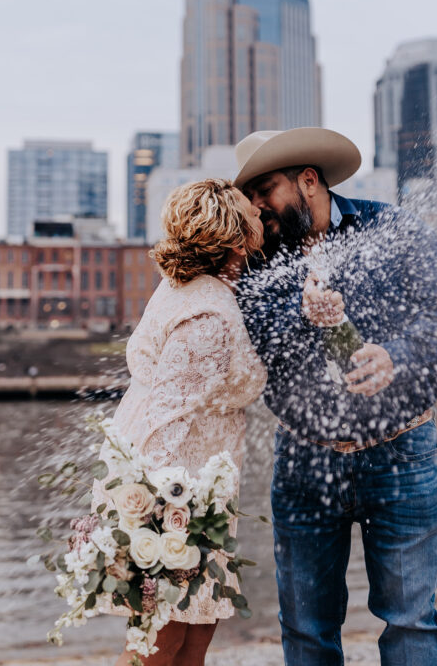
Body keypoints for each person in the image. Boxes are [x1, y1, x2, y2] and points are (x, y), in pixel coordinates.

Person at [234, 127, 437, 666]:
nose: (257, 207)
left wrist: (396, 354)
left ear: (308, 180)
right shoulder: (257, 258)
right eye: (249, 197)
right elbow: (255, 333)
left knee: (411, 622)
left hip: (401, 452)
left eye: (265, 189)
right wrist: (301, 313)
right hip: (304, 458)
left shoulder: (390, 226)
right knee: (306, 627)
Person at [95, 178, 267, 666]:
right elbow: (163, 424)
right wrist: (157, 527)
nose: (258, 209)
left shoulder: (195, 288)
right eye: (247, 209)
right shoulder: (207, 317)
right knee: (160, 638)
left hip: (198, 486)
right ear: (236, 240)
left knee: (194, 634)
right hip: (173, 491)